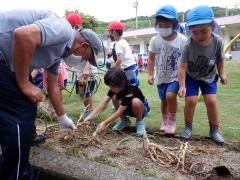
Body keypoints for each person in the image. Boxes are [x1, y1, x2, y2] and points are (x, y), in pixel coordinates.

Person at [0, 9, 102, 179]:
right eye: (86, 57)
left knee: (23, 106)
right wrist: (24, 83)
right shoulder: (62, 28)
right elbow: (22, 35)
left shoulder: (57, 55)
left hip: (5, 62)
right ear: (83, 46)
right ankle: (16, 174)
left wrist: (62, 117)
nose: (83, 61)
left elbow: (53, 87)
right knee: (20, 113)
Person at [178, 5, 228, 144]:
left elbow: (220, 59)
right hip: (191, 77)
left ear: (213, 26)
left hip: (209, 77)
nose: (199, 36)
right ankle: (188, 127)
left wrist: (222, 73)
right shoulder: (188, 44)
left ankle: (214, 131)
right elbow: (182, 67)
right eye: (194, 32)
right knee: (191, 101)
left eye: (203, 31)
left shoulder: (217, 41)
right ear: (189, 30)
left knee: (211, 102)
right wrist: (182, 85)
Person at [147, 5, 187, 135]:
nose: (163, 27)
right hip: (161, 77)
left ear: (174, 23)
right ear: (157, 24)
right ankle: (164, 120)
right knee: (163, 100)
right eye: (161, 24)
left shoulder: (182, 40)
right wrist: (151, 74)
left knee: (170, 95)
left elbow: (185, 61)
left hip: (175, 76)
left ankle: (172, 121)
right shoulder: (154, 40)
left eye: (167, 24)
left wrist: (182, 84)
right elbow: (151, 59)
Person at [82, 67, 150, 135]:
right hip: (127, 108)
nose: (111, 89)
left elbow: (120, 110)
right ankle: (124, 121)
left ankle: (139, 122)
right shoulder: (114, 89)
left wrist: (105, 123)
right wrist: (89, 117)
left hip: (141, 109)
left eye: (112, 86)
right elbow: (104, 103)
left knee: (135, 101)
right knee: (114, 97)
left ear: (121, 83)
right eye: (109, 86)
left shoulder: (131, 89)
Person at [107, 21, 139, 87]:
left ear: (114, 33)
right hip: (133, 67)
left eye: (110, 32)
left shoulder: (118, 44)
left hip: (129, 69)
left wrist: (112, 69)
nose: (109, 35)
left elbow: (119, 60)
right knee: (130, 89)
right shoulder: (123, 41)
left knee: (128, 90)